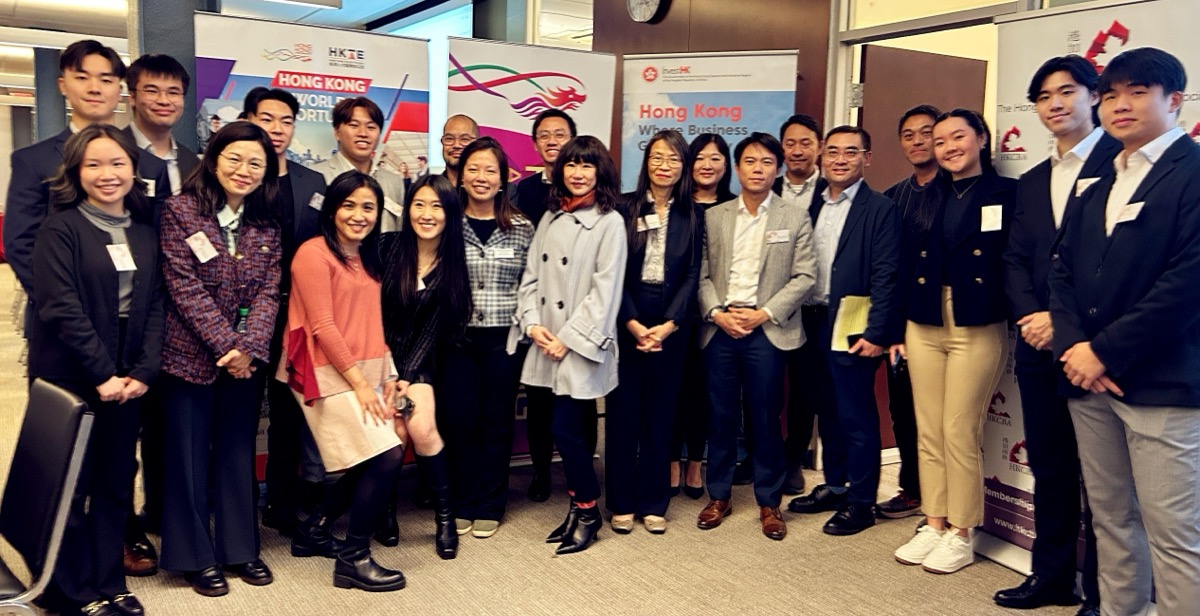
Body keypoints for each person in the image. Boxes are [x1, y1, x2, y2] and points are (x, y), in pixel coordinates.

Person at [1050, 47, 1200, 616]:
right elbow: (1061, 273)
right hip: (1088, 383)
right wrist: (1073, 350)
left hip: (1161, 382)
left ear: (1174, 101)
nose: (1120, 105)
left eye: (1138, 92)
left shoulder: (1192, 173)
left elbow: (1186, 285)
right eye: (1110, 94)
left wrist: (1103, 352)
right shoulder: (1102, 178)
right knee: (1112, 520)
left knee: (1176, 536)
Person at [995, 55, 1119, 615]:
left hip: (1093, 349)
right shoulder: (1032, 180)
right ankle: (1050, 577)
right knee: (1049, 465)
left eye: (1067, 92)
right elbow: (1015, 260)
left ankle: (1102, 592)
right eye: (1044, 97)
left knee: (1106, 482)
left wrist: (1062, 323)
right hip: (1037, 345)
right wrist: (1032, 318)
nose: (1056, 104)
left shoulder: (1124, 165)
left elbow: (1117, 267)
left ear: (1094, 96)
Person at [28, 125, 164, 616]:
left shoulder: (145, 230)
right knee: (70, 485)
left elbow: (155, 308)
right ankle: (66, 590)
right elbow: (60, 308)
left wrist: (144, 371)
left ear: (134, 169)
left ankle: (110, 582)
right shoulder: (60, 228)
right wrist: (103, 373)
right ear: (76, 172)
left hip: (128, 380)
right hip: (72, 374)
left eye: (117, 163)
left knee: (114, 482)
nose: (107, 174)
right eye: (94, 164)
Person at [157, 122, 281, 597]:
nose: (243, 170)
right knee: (187, 458)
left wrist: (247, 350)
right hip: (189, 357)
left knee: (236, 454)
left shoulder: (265, 224)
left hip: (244, 365)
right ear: (212, 158)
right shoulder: (180, 211)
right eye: (234, 158)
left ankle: (240, 548)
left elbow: (270, 290)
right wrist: (226, 346)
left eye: (255, 162)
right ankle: (194, 556)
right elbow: (182, 287)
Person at [891, 109, 1015, 574]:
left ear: (981, 138)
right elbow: (903, 264)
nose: (947, 147)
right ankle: (934, 522)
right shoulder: (926, 196)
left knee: (959, 429)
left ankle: (963, 532)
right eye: (939, 141)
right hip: (923, 319)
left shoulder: (1008, 193)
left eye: (957, 137)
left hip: (976, 321)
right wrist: (891, 331)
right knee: (928, 428)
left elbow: (1018, 260)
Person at [280, 171, 407, 592]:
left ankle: (313, 530)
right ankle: (354, 558)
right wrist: (359, 384)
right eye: (349, 205)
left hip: (365, 368)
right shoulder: (313, 254)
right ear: (332, 208)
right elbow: (323, 327)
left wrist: (388, 376)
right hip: (321, 369)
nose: (358, 215)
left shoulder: (369, 257)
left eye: (368, 207)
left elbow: (374, 322)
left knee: (371, 456)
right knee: (387, 454)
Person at [696, 132, 817, 541]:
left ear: (778, 169)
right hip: (721, 328)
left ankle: (769, 502)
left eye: (767, 162)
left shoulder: (794, 216)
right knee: (721, 417)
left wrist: (764, 313)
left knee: (766, 418)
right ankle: (719, 496)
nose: (758, 169)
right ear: (737, 168)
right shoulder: (716, 216)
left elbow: (805, 276)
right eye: (750, 161)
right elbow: (703, 275)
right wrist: (716, 312)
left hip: (768, 330)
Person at [510, 135, 627, 555]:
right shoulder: (552, 215)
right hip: (547, 342)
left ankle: (589, 509)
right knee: (565, 430)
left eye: (587, 166)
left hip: (580, 345)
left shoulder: (610, 221)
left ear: (601, 172)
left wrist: (569, 339)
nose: (578, 173)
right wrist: (534, 323)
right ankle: (581, 510)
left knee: (568, 429)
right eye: (571, 165)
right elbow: (531, 278)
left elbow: (606, 291)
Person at [785, 126, 900, 538]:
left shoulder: (880, 208)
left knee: (855, 414)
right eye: (832, 151)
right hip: (810, 319)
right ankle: (835, 485)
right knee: (825, 409)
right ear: (821, 157)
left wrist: (878, 331)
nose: (839, 159)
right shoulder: (809, 205)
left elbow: (888, 274)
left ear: (866, 158)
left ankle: (862, 501)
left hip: (854, 320)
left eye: (850, 152)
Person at [5, 39, 170, 322]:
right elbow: (21, 245)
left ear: (119, 90)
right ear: (62, 85)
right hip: (61, 322)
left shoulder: (151, 165)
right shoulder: (33, 161)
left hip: (135, 322)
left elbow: (159, 242)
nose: (94, 88)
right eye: (82, 78)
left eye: (106, 80)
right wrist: (65, 308)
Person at [607, 130, 703, 534]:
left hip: (671, 323)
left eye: (674, 160)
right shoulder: (625, 208)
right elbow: (613, 272)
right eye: (657, 157)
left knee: (661, 415)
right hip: (627, 314)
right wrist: (631, 322)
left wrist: (669, 325)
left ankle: (653, 502)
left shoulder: (692, 214)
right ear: (646, 161)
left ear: (683, 167)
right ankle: (621, 501)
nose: (665, 166)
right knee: (623, 414)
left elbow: (694, 275)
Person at [439, 137, 534, 539]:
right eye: (472, 168)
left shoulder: (522, 228)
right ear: (460, 176)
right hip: (456, 338)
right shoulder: (445, 223)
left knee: (496, 422)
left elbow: (532, 285)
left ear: (503, 179)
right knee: (459, 422)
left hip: (503, 340)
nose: (481, 177)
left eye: (489, 170)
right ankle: (462, 501)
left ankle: (491, 504)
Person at [248, 87, 330, 538]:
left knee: (287, 412)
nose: (276, 129)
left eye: (285, 121)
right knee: (241, 415)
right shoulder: (240, 177)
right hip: (244, 316)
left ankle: (281, 504)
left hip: (295, 316)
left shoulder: (311, 182)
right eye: (266, 119)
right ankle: (239, 503)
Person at [381, 174, 472, 560]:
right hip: (376, 357)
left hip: (418, 362)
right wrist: (386, 370)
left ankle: (445, 517)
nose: (427, 213)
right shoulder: (387, 247)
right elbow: (371, 313)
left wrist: (404, 377)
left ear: (450, 214)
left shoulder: (453, 265)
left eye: (437, 206)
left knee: (420, 425)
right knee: (394, 432)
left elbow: (433, 330)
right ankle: (384, 512)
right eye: (419, 204)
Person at [511, 109, 595, 504]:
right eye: (543, 135)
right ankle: (542, 472)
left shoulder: (596, 199)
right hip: (539, 313)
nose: (552, 141)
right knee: (541, 400)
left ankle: (585, 475)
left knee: (581, 398)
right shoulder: (521, 191)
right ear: (534, 144)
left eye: (560, 134)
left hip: (579, 313)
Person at [877, 104, 943, 520]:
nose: (917, 141)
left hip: (949, 319)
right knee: (903, 409)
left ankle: (947, 500)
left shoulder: (958, 189)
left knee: (943, 417)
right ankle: (912, 488)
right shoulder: (892, 197)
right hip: (902, 323)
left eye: (926, 133)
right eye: (909, 134)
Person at [672, 133, 736, 500]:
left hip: (715, 316)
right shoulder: (676, 204)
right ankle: (670, 461)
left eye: (715, 158)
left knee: (702, 392)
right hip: (674, 311)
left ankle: (696, 461)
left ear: (726, 165)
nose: (707, 165)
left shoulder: (734, 206)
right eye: (699, 158)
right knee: (671, 390)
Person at [774, 114, 830, 495]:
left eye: (806, 142)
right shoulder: (765, 187)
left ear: (819, 147)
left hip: (815, 306)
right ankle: (763, 453)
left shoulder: (835, 189)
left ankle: (793, 456)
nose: (797, 150)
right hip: (769, 307)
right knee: (764, 384)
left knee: (807, 388)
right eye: (791, 143)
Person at [313, 97, 405, 233]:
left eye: (371, 127)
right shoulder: (315, 177)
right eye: (354, 125)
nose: (363, 133)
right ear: (337, 133)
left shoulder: (395, 182)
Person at [126, 54, 199, 196]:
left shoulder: (193, 163)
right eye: (152, 91)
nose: (164, 100)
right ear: (132, 98)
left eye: (173, 92)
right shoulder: (112, 150)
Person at [440, 114, 479, 186]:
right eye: (449, 139)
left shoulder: (487, 189)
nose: (456, 145)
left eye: (465, 139)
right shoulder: (432, 191)